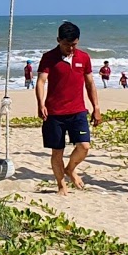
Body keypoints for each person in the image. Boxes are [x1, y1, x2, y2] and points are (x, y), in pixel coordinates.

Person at [35, 21, 101, 194]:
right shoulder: (48, 57)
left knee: (84, 146)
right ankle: (61, 185)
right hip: (54, 113)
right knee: (57, 152)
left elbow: (90, 83)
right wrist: (40, 103)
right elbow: (41, 81)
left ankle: (70, 169)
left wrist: (96, 107)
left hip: (78, 111)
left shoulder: (84, 57)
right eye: (66, 45)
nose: (70, 49)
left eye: (74, 45)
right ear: (58, 40)